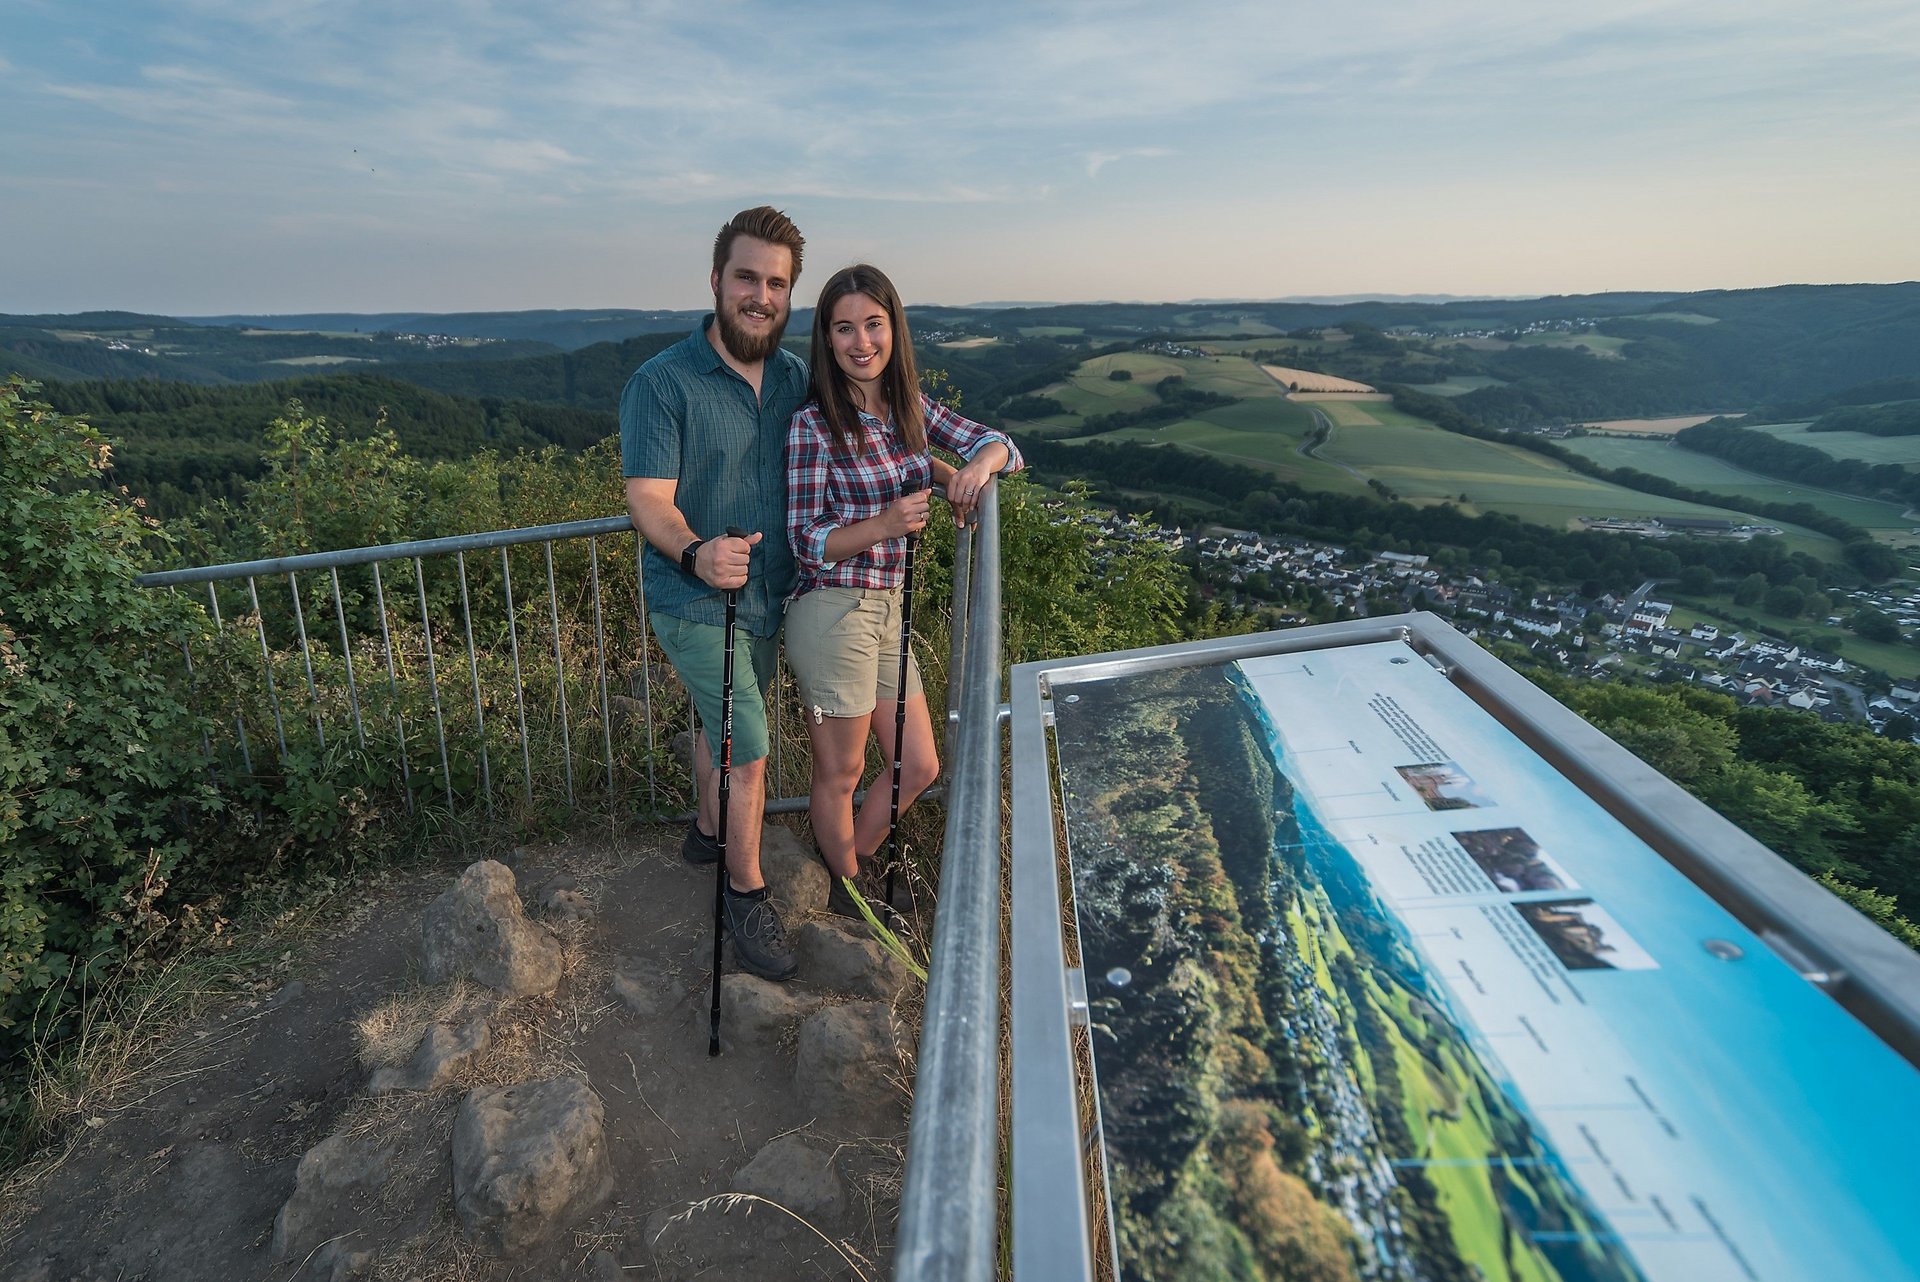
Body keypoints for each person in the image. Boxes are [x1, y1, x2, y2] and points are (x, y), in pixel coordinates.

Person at [785, 263, 1023, 920]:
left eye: (873, 324)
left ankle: (847, 874)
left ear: (894, 329)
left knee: (918, 765)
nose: (861, 341)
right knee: (840, 774)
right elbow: (805, 539)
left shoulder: (908, 409)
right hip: (833, 610)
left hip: (886, 610)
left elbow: (1003, 445)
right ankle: (850, 894)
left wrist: (971, 471)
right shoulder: (814, 426)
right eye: (844, 328)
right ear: (826, 340)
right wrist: (884, 524)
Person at [622, 206, 808, 982]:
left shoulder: (798, 376)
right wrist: (697, 552)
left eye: (776, 282)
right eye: (746, 277)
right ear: (716, 281)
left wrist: (973, 464)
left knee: (722, 723)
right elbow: (649, 502)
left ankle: (706, 833)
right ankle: (745, 891)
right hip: (693, 598)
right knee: (750, 750)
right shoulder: (662, 383)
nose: (759, 295)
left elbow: (879, 435)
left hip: (771, 595)